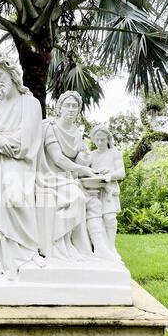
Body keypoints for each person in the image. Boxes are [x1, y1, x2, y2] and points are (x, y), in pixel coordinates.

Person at [0, 56, 45, 280]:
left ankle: (27, 252)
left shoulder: (30, 103)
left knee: (15, 199)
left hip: (18, 162)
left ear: (12, 75)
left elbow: (28, 136)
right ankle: (2, 261)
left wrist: (3, 145)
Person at [36, 91, 97, 260]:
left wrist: (85, 157)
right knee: (77, 198)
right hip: (48, 176)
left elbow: (79, 160)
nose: (71, 109)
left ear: (78, 110)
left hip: (67, 177)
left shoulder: (77, 133)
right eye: (67, 105)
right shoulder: (49, 126)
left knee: (80, 199)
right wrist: (83, 170)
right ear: (60, 108)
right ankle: (57, 243)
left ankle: (67, 243)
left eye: (75, 106)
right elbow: (57, 157)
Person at [89, 125, 126, 258]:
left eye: (103, 140)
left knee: (110, 218)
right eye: (97, 140)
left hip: (109, 190)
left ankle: (111, 247)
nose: (100, 143)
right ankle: (100, 249)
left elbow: (121, 172)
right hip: (94, 190)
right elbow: (86, 171)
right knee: (97, 220)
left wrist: (110, 174)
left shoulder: (115, 153)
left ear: (108, 139)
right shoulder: (91, 155)